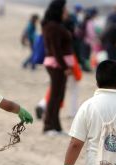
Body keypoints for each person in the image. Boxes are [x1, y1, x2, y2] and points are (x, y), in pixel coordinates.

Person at [41, 0, 74, 135]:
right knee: (55, 96)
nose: (67, 12)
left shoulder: (56, 25)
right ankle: (48, 126)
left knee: (59, 96)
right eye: (65, 10)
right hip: (57, 65)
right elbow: (56, 50)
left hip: (59, 65)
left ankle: (56, 126)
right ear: (58, 11)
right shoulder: (53, 27)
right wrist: (65, 66)